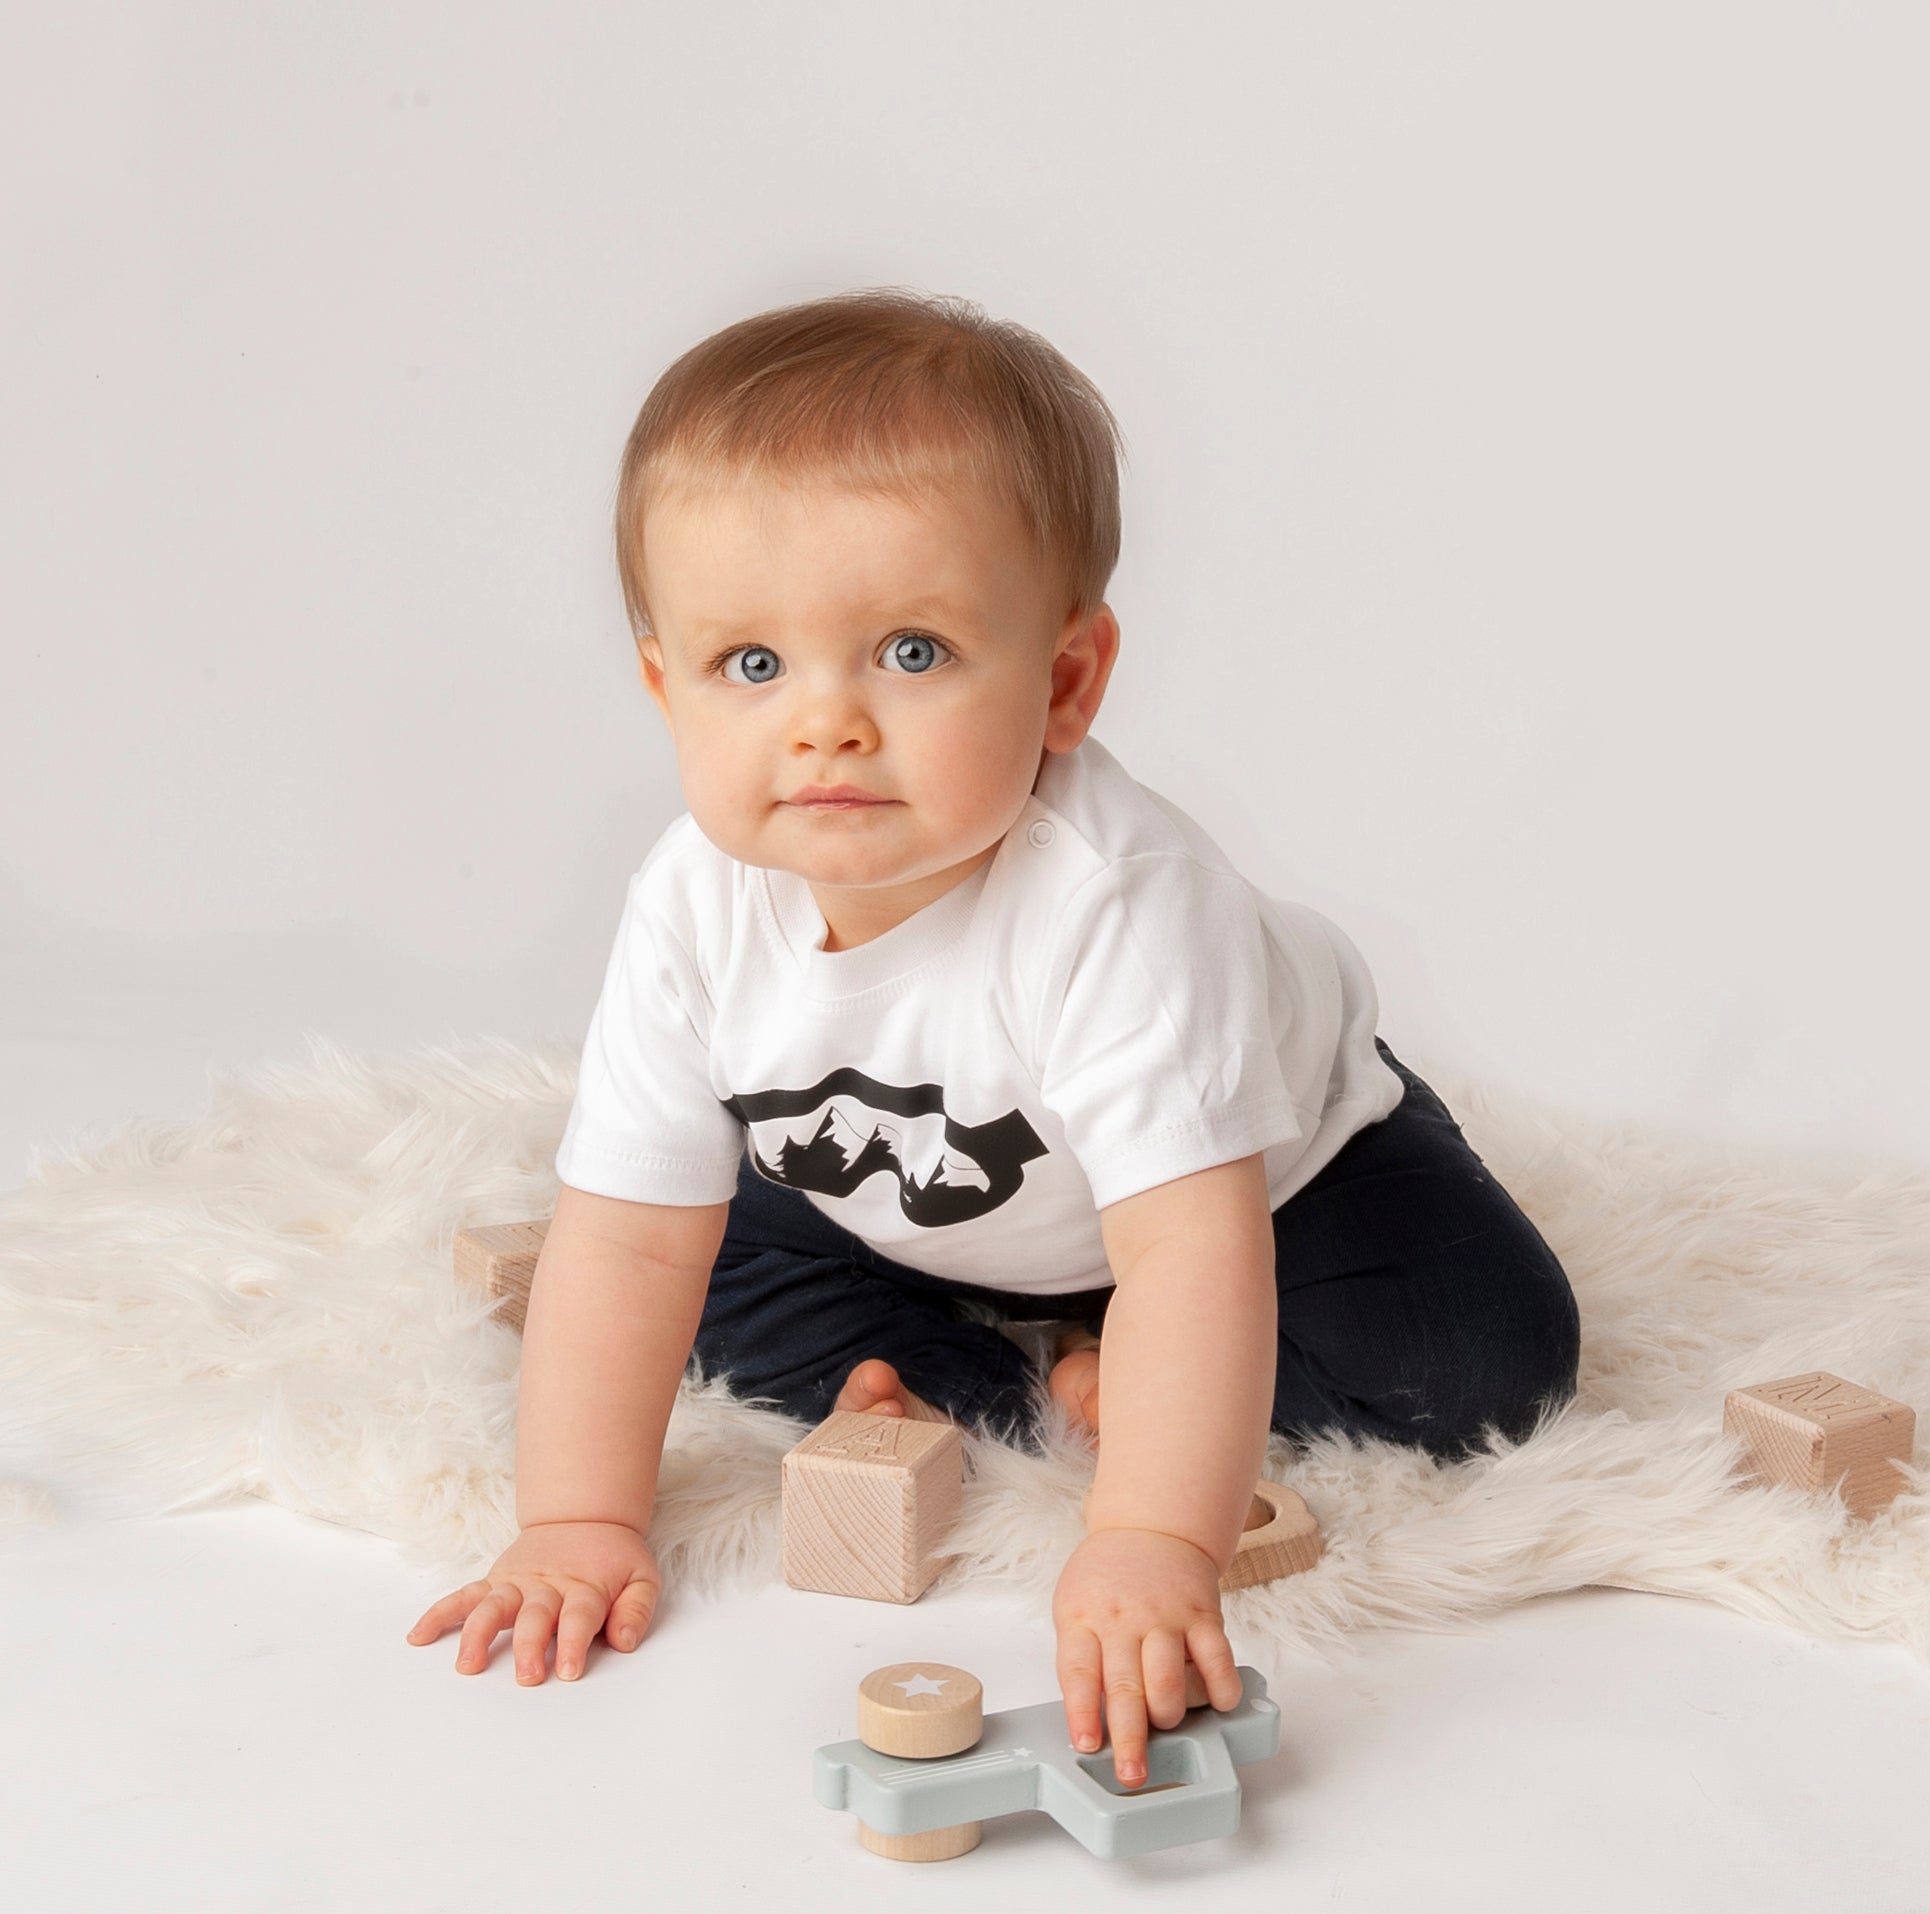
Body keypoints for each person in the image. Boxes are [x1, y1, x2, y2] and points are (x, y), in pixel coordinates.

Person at [407, 287, 1580, 1787]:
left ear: (1066, 682)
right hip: (915, 1192)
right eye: (752, 667)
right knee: (680, 1284)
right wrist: (573, 1518)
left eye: (909, 652)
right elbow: (631, 1238)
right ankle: (1057, 1377)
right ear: (667, 688)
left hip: (1265, 1178)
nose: (825, 724)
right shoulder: (692, 902)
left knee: (1481, 1361)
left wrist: (1152, 1539)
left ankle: (1130, 1388)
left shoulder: (1117, 906)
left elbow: (1189, 1250)